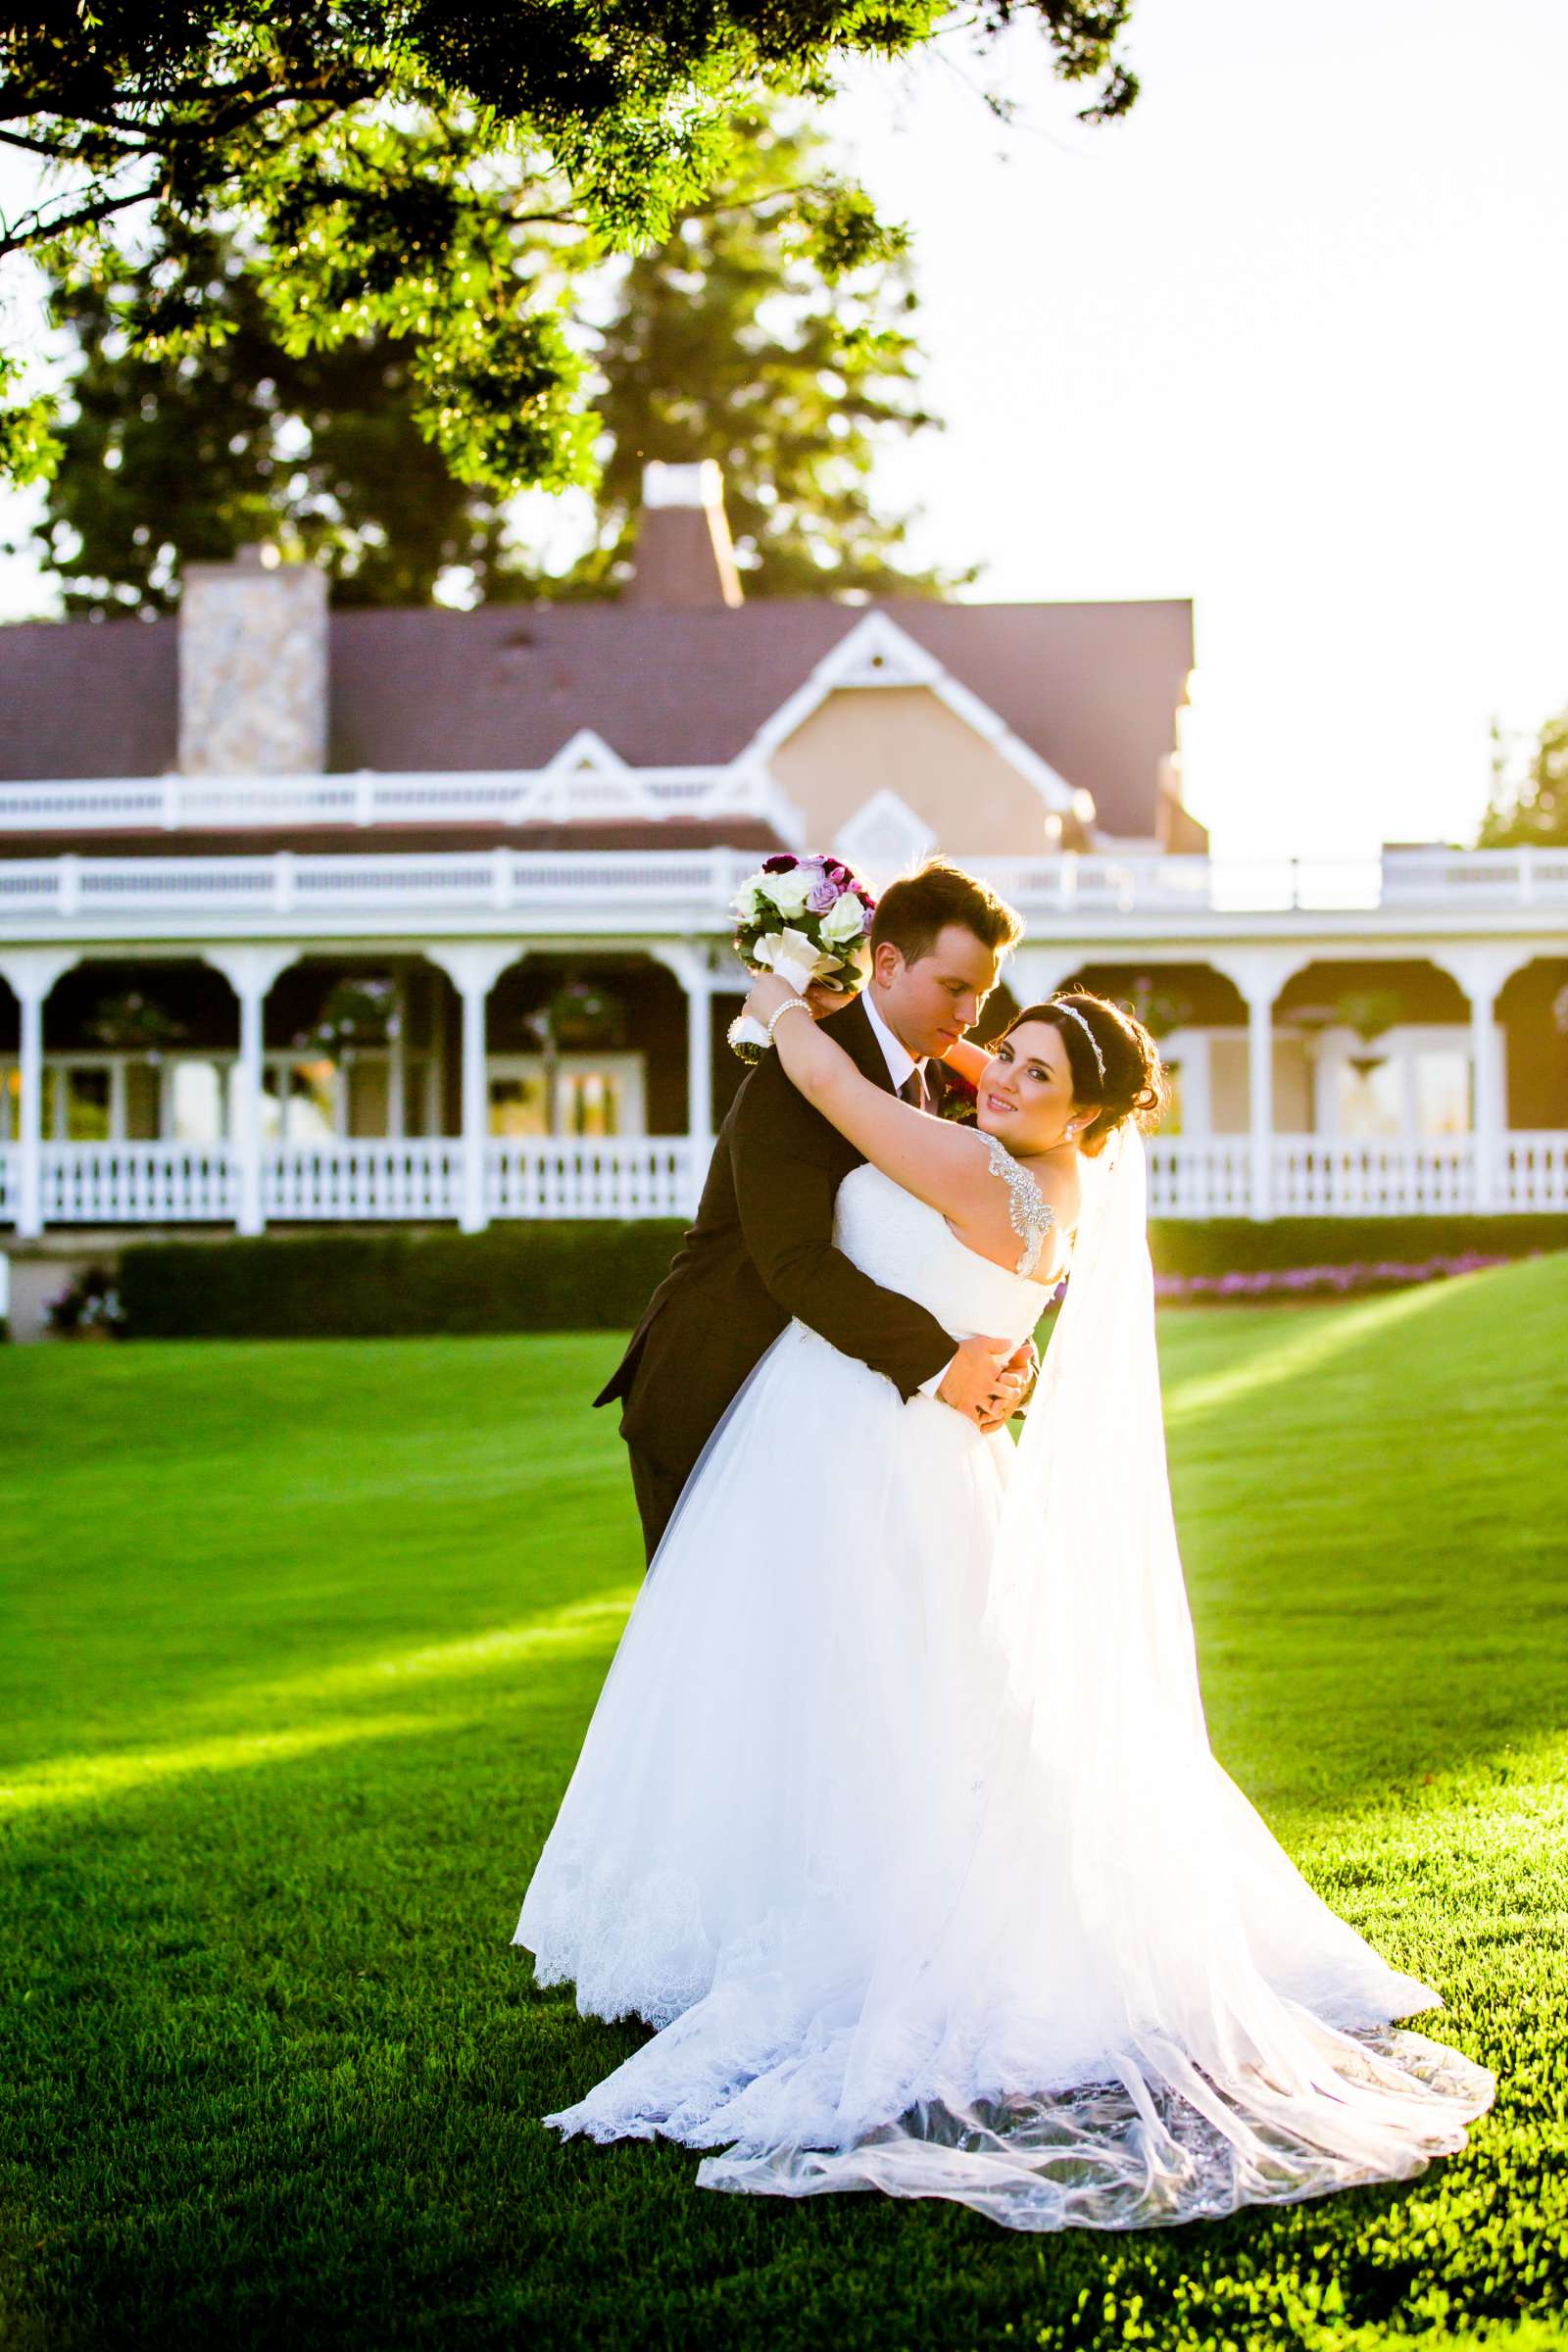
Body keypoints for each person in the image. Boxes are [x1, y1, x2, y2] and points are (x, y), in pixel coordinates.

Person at [515, 978, 1494, 2230]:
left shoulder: (989, 1177)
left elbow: (826, 1087)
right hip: (907, 1451)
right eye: (1006, 1054)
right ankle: (778, 1901)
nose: (1005, 1077)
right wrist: (971, 1042)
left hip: (873, 1453)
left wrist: (788, 994)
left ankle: (844, 1921)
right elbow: (991, 1076)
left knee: (854, 1693)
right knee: (885, 1700)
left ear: (1086, 1121)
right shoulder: (1042, 1174)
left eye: (1038, 1075)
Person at [593, 859, 1037, 1564]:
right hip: (714, 1386)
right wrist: (946, 1368)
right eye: (954, 988)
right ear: (886, 963)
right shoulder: (796, 1073)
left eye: (981, 995)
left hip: (835, 1410)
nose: (968, 1016)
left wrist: (1005, 1356)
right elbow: (793, 1263)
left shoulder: (941, 1085)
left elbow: (956, 1245)